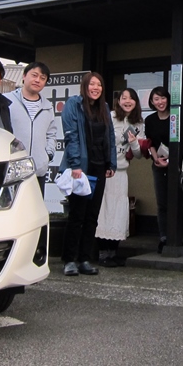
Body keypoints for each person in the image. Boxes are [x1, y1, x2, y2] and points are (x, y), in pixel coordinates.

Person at [59, 72, 117, 277]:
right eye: (92, 84)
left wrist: (112, 162)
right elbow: (71, 135)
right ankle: (69, 260)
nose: (96, 87)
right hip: (81, 168)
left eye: (99, 84)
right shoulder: (74, 104)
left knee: (92, 215)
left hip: (99, 166)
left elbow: (109, 135)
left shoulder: (105, 107)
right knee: (77, 214)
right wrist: (75, 164)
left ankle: (84, 258)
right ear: (84, 86)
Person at [96, 88, 145, 267]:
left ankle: (113, 252)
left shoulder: (138, 123)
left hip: (122, 173)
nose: (127, 101)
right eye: (124, 98)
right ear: (118, 100)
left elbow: (138, 154)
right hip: (106, 171)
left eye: (131, 98)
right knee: (104, 211)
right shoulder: (109, 116)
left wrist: (134, 143)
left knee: (118, 212)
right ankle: (102, 254)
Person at [6, 62, 57, 196]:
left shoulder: (47, 106)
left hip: (38, 169)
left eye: (42, 78)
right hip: (12, 170)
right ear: (24, 76)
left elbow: (51, 133)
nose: (37, 80)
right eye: (34, 75)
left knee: (36, 211)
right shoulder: (7, 101)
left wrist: (48, 154)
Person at [144, 86, 171, 254]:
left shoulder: (176, 118)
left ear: (168, 99)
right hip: (158, 164)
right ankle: (163, 237)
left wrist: (170, 161)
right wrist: (156, 159)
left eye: (162, 98)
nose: (160, 102)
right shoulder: (150, 120)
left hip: (175, 165)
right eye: (156, 99)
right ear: (152, 102)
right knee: (161, 203)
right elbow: (150, 143)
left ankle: (176, 235)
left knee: (176, 201)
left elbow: (181, 143)